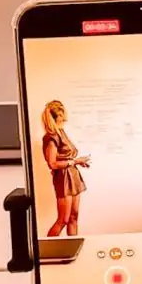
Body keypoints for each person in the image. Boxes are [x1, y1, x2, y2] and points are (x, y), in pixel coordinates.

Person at [41, 100, 90, 237]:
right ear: (56, 117)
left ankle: (73, 246)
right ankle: (47, 248)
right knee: (63, 219)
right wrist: (74, 161)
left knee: (74, 217)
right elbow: (52, 164)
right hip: (63, 178)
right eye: (62, 116)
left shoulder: (61, 132)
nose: (65, 119)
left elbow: (65, 157)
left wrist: (77, 163)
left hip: (73, 175)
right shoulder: (51, 137)